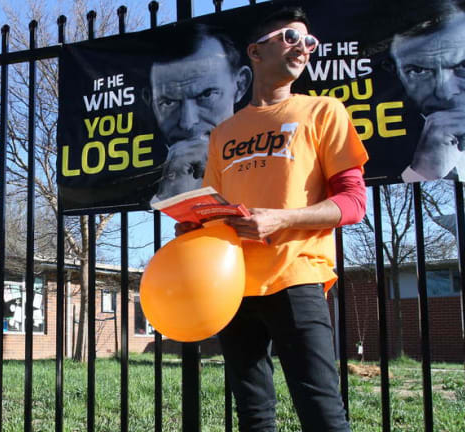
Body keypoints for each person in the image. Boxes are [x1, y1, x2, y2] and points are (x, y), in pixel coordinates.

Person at [177, 8, 368, 431]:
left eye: (309, 41)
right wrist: (193, 225)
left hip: (296, 277)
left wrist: (281, 220)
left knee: (323, 413)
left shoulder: (323, 111)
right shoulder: (224, 132)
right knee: (254, 415)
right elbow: (215, 207)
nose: (302, 47)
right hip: (231, 286)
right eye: (289, 37)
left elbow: (354, 202)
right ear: (256, 52)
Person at [148, 25, 252, 202]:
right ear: (150, 101)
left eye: (206, 95)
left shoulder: (267, 157)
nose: (188, 123)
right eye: (168, 102)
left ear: (240, 85)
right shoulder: (151, 182)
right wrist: (169, 195)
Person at [390, 0, 465, 182]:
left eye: (463, 65)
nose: (445, 93)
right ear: (397, 73)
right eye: (418, 71)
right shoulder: (396, 147)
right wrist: (420, 172)